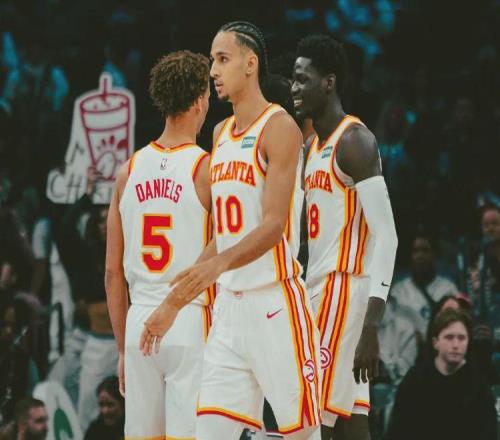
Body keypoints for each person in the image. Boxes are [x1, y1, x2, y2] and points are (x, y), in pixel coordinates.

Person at [141, 21, 321, 440]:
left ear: (250, 64)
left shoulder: (280, 128)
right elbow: (224, 232)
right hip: (229, 312)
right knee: (209, 432)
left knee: (303, 434)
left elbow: (274, 226)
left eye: (223, 59)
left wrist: (218, 265)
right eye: (212, 61)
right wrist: (172, 304)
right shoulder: (220, 134)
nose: (213, 71)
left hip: (275, 305)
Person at [292, 35, 398, 439]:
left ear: (329, 82)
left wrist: (371, 325)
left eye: (303, 79)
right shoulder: (313, 147)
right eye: (293, 79)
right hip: (320, 289)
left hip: (343, 291)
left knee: (311, 420)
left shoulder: (355, 141)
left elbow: (388, 237)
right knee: (354, 421)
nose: (295, 87)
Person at [105, 50, 213, 440]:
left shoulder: (127, 171)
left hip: (139, 323)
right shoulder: (207, 169)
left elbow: (112, 273)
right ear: (199, 101)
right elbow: (230, 244)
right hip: (188, 318)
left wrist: (122, 350)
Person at [386, 308, 497, 440]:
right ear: (435, 342)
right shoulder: (416, 379)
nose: (455, 345)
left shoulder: (478, 386)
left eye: (461, 338)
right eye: (449, 337)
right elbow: (398, 430)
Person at [379, 233, 459, 383]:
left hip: (437, 352)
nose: (420, 255)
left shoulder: (448, 289)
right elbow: (388, 331)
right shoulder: (399, 290)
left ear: (434, 255)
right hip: (404, 354)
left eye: (425, 250)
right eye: (416, 251)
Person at [84, 376, 124, 440]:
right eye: (101, 405)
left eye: (110, 405)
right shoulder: (94, 431)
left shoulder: (134, 428)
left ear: (122, 404)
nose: (105, 411)